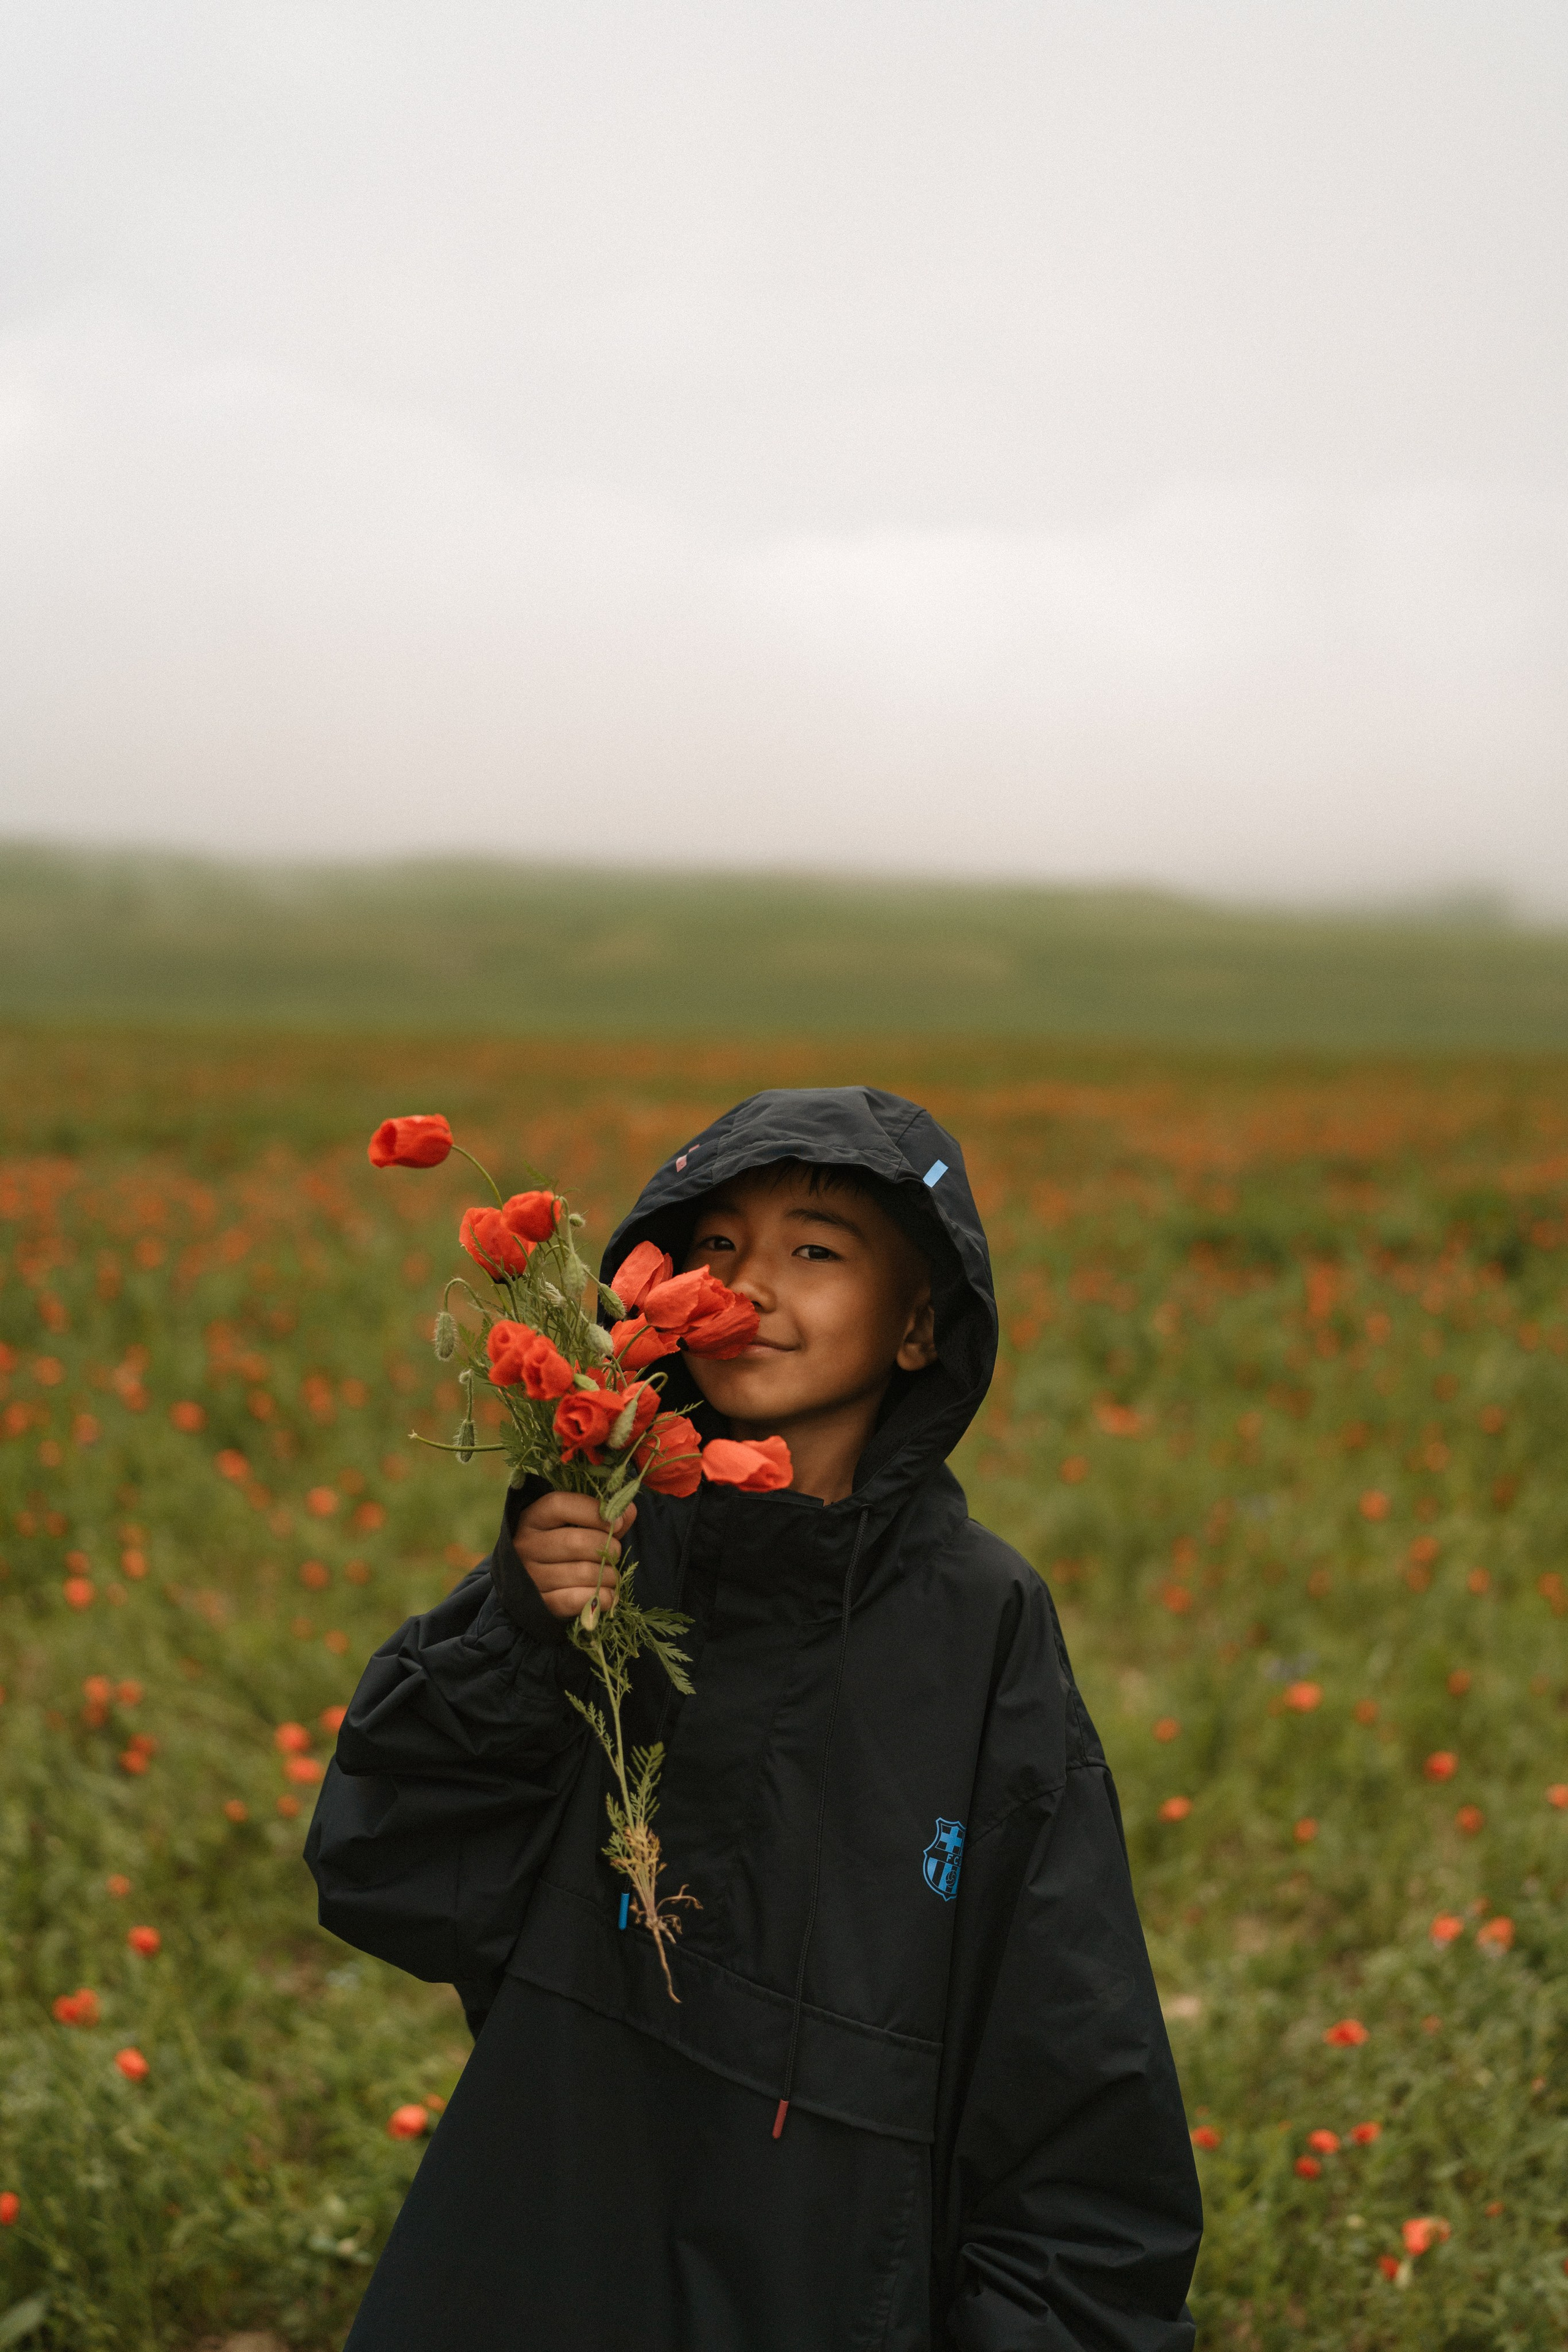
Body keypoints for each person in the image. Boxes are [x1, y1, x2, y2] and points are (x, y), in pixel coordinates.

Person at [307, 1084, 1201, 2350]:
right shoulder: (600, 1553)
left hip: (818, 2276)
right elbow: (383, 1870)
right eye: (714, 1245)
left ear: (915, 1328)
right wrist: (517, 1631)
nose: (746, 1285)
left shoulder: (978, 1623)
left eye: (815, 1250)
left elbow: (1067, 2055)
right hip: (543, 2237)